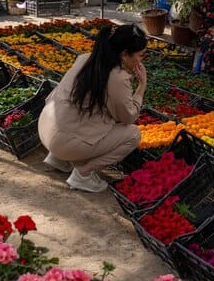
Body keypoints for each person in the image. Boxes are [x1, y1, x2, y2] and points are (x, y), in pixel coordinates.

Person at [38, 24, 147, 193]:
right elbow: (128, 117)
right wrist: (141, 87)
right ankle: (82, 174)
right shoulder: (117, 77)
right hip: (63, 141)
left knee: (89, 114)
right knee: (133, 135)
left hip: (46, 127)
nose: (142, 60)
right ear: (124, 54)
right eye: (141, 55)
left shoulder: (86, 58)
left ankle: (59, 159)